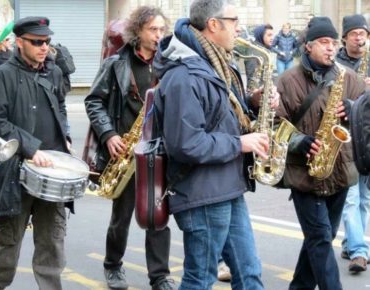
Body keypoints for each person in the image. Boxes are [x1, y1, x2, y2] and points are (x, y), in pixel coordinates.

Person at [153, 0, 279, 288]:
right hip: (202, 193)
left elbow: (220, 114)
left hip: (226, 186)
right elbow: (185, 143)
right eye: (234, 21)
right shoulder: (185, 75)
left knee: (250, 276)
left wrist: (254, 102)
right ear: (213, 24)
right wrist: (239, 143)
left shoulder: (216, 63)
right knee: (200, 279)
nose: (239, 28)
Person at [84, 6, 174, 290]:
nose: (159, 35)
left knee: (158, 215)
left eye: (162, 29)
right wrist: (109, 135)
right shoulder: (116, 63)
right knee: (121, 217)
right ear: (138, 32)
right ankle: (113, 264)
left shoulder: (169, 62)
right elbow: (93, 101)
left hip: (159, 150)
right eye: (153, 30)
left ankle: (159, 276)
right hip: (126, 150)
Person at [276, 16, 366, 290]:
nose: (330, 48)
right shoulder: (288, 80)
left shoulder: (348, 77)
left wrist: (354, 109)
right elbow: (273, 126)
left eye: (333, 42)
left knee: (320, 239)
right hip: (306, 174)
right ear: (308, 46)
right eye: (323, 42)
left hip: (340, 172)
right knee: (320, 240)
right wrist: (300, 141)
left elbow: (368, 113)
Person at [0, 16, 72, 290]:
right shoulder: (1, 75)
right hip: (13, 171)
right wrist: (31, 149)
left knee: (51, 247)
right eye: (37, 42)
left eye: (46, 41)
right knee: (7, 249)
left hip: (52, 172)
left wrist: (66, 137)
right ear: (19, 43)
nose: (44, 47)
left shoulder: (54, 72)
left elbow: (60, 105)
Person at [336, 14, 370, 273]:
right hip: (346, 135)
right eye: (354, 34)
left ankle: (350, 243)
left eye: (363, 34)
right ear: (345, 37)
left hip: (367, 135)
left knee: (365, 198)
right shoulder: (335, 64)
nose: (359, 38)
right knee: (350, 195)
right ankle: (360, 250)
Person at [244, 23, 275, 94]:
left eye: (272, 35)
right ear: (261, 35)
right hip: (258, 96)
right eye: (269, 35)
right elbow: (252, 79)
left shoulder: (263, 50)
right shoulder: (255, 52)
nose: (272, 38)